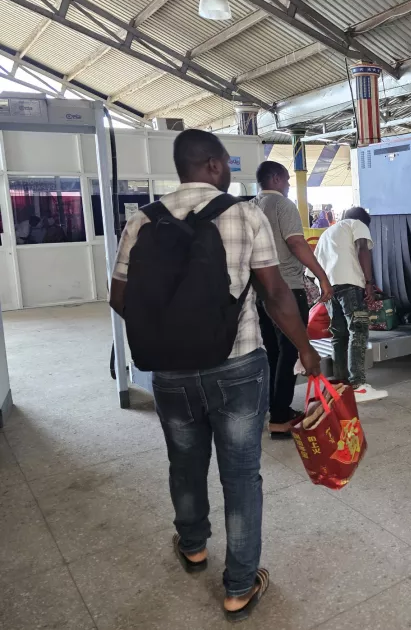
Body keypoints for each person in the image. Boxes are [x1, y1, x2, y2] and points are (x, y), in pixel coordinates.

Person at [108, 129, 322, 621]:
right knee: (241, 474)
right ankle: (239, 585)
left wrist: (168, 333)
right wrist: (304, 350)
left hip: (171, 375)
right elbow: (275, 294)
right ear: (209, 165)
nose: (228, 171)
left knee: (184, 462)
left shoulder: (142, 221)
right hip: (238, 366)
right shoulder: (244, 214)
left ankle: (194, 545)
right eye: (225, 162)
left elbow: (119, 298)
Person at [252, 161, 334, 439]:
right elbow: (297, 243)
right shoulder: (283, 206)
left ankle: (276, 409)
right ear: (275, 179)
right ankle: (279, 417)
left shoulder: (252, 205)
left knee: (273, 352)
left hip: (259, 292)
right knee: (291, 352)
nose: (288, 185)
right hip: (286, 288)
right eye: (287, 180)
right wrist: (322, 276)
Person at [313, 206, 388, 401]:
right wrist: (369, 283)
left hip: (328, 288)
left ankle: (341, 385)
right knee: (359, 330)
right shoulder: (357, 224)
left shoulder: (327, 233)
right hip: (350, 285)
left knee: (339, 334)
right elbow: (363, 249)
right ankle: (358, 385)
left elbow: (313, 266)